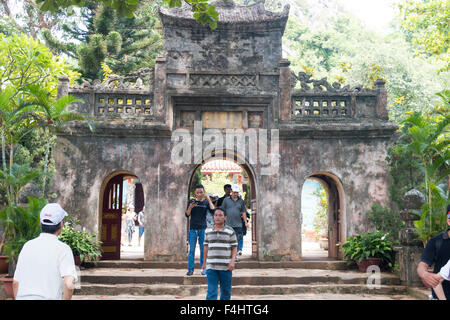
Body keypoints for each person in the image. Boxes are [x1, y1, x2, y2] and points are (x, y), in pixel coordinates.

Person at [13, 203, 78, 300]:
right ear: (61, 225)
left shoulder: (27, 246)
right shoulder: (63, 249)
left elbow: (15, 283)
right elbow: (69, 283)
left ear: (40, 223)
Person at [202, 207, 237, 300]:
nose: (217, 217)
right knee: (211, 291)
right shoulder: (207, 231)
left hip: (226, 267)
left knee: (226, 291)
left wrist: (232, 261)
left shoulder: (230, 231)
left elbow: (234, 247)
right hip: (211, 266)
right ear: (213, 217)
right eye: (216, 215)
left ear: (225, 217)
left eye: (220, 215)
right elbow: (205, 247)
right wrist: (204, 263)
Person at [417, 205, 450, 300]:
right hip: (441, 295)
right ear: (448, 221)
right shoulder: (436, 241)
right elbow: (422, 265)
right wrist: (425, 274)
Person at [185, 184, 215, 276]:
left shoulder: (206, 202)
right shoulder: (191, 201)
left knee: (203, 250)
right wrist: (191, 206)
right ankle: (190, 270)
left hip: (203, 228)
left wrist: (209, 199)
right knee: (191, 250)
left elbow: (213, 210)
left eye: (201, 192)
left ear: (203, 192)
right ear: (195, 193)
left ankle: (204, 269)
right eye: (197, 192)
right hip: (193, 229)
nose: (199, 194)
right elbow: (187, 214)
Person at [221, 184, 248, 262]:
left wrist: (246, 222)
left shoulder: (241, 201)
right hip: (228, 224)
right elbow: (222, 211)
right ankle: (228, 256)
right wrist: (222, 221)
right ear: (231, 191)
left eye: (237, 192)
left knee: (235, 241)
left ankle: (234, 257)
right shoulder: (226, 200)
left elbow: (243, 212)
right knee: (227, 241)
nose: (235, 194)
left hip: (238, 224)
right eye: (234, 192)